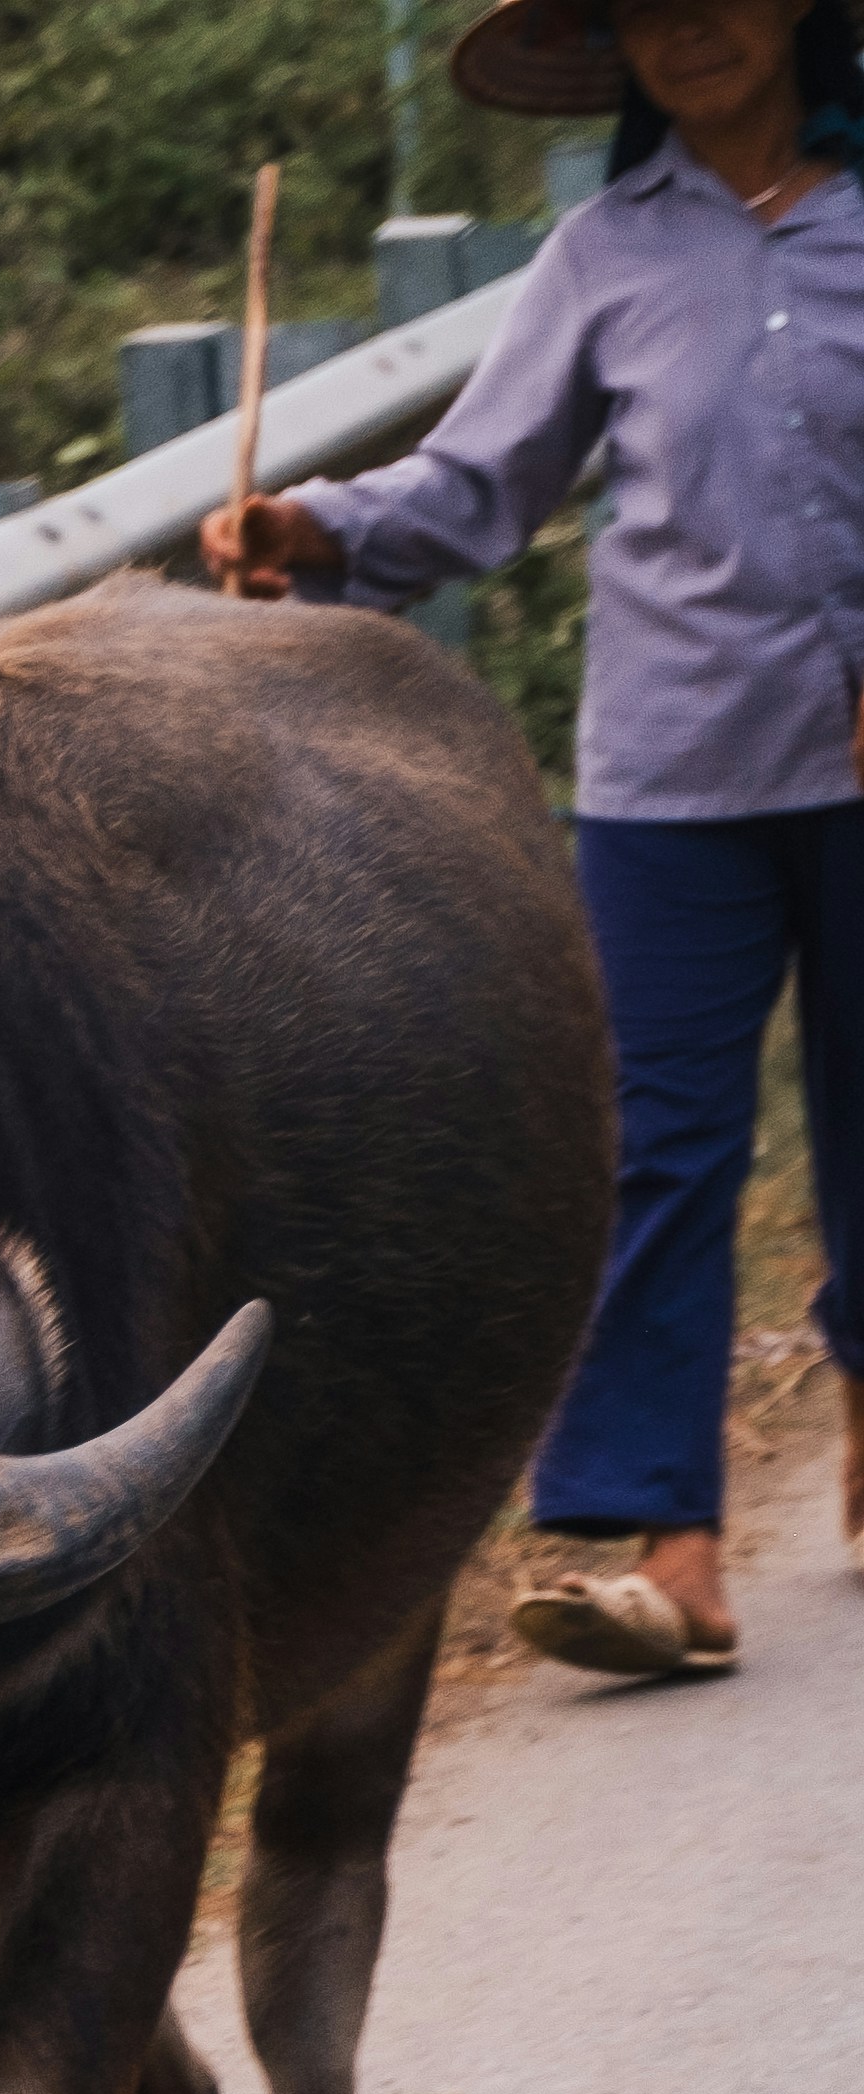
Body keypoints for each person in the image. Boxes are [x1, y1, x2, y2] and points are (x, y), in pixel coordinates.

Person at [214, 0, 864, 1681]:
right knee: (655, 1143)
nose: (688, 32)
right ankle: (678, 1551)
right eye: (646, 9)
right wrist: (318, 530)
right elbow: (475, 488)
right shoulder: (601, 258)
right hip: (673, 780)